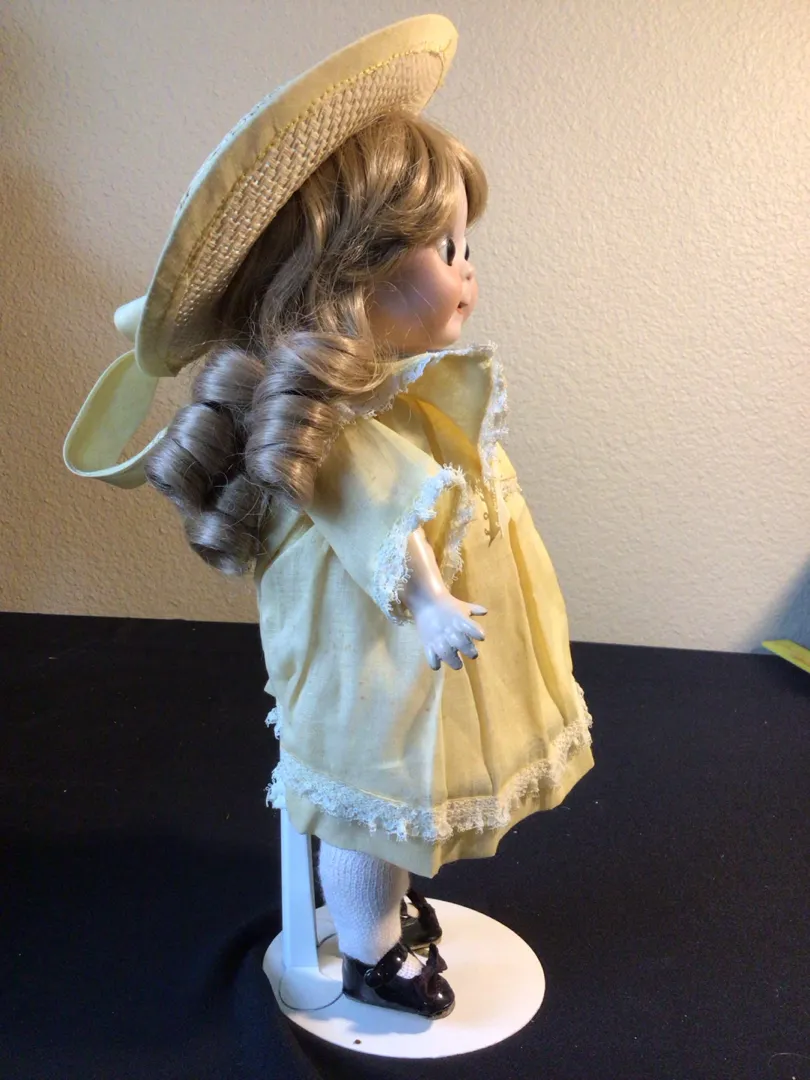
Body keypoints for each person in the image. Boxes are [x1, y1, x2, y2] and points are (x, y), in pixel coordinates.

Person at [63, 15, 594, 1021]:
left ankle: (378, 918)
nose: (468, 271)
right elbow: (371, 518)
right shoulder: (335, 432)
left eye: (465, 246)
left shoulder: (385, 398)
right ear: (353, 274)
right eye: (446, 249)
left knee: (400, 787)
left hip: (408, 650)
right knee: (369, 801)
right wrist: (428, 601)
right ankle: (367, 952)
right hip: (372, 644)